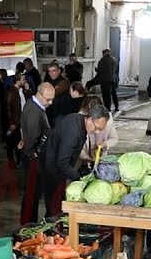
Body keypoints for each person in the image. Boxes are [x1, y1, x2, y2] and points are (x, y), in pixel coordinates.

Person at [40, 104, 110, 217]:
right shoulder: (74, 133)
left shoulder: (78, 119)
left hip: (54, 164)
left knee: (56, 202)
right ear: (89, 119)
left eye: (100, 130)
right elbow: (62, 163)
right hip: (53, 170)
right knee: (55, 206)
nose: (97, 132)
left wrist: (85, 161)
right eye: (96, 128)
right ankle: (52, 223)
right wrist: (79, 178)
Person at [19, 82, 54, 225]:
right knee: (32, 193)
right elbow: (33, 137)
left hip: (33, 155)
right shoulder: (34, 111)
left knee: (33, 193)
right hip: (33, 157)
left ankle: (29, 222)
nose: (50, 103)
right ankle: (28, 224)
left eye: (52, 99)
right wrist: (34, 153)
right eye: (48, 99)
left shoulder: (35, 106)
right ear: (39, 94)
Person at [79, 95, 119, 161]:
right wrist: (86, 158)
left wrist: (104, 144)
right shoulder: (80, 120)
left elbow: (114, 138)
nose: (97, 131)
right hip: (82, 160)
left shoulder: (107, 119)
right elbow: (76, 147)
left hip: (101, 159)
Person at [91, 49, 120, 113]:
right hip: (112, 79)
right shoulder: (114, 60)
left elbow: (100, 70)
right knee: (113, 94)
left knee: (106, 95)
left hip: (105, 80)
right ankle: (116, 107)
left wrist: (96, 69)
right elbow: (117, 69)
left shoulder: (103, 60)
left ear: (104, 53)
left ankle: (107, 108)